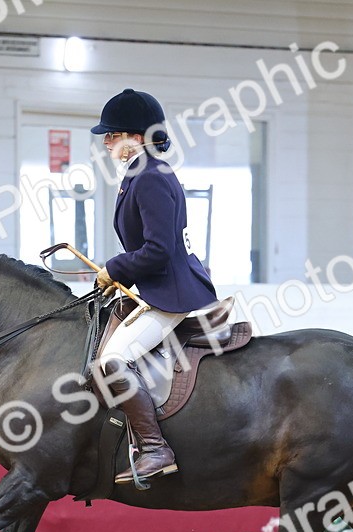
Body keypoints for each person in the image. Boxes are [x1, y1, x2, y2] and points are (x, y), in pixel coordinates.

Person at [90, 88, 218, 485]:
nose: (107, 143)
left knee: (112, 361)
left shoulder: (150, 177)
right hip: (155, 287)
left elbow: (160, 250)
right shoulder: (138, 175)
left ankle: (154, 448)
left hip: (171, 293)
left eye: (113, 135)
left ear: (136, 135)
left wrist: (114, 268)